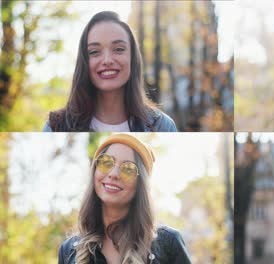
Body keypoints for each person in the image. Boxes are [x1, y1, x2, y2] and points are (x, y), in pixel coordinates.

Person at [58, 134, 191, 264]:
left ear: (140, 185)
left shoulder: (168, 243)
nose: (113, 174)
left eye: (128, 169)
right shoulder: (68, 251)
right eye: (106, 162)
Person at [44, 11, 176, 132]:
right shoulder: (56, 127)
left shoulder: (163, 127)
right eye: (94, 52)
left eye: (118, 49)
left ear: (132, 57)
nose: (107, 60)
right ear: (84, 61)